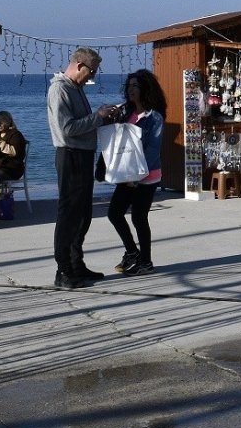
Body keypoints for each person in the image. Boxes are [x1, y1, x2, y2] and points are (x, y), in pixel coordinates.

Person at [47, 47, 118, 289]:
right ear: (79, 66)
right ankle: (63, 270)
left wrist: (103, 116)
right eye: (91, 72)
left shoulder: (75, 88)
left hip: (83, 155)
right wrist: (98, 116)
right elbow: (67, 128)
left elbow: (81, 124)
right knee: (68, 214)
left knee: (83, 214)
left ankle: (76, 264)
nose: (92, 77)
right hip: (70, 156)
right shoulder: (60, 89)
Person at [107, 69, 166, 276]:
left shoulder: (154, 118)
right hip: (126, 174)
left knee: (139, 218)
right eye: (129, 86)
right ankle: (132, 252)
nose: (130, 89)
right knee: (114, 213)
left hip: (146, 176)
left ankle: (146, 261)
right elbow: (114, 139)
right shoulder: (125, 112)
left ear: (145, 89)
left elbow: (152, 149)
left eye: (135, 86)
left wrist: (137, 176)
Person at [0, 111, 27, 181]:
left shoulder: (16, 135)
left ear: (8, 122)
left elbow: (13, 152)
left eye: (1, 122)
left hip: (12, 169)